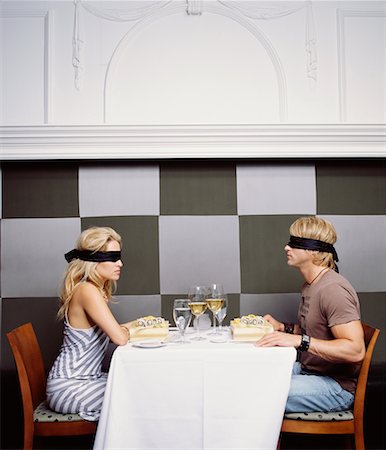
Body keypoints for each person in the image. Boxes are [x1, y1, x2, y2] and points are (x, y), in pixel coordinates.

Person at [256, 216, 365, 413]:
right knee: (249, 375)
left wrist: (300, 341)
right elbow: (318, 332)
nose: (286, 248)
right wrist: (284, 328)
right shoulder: (312, 284)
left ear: (313, 250)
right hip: (311, 371)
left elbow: (355, 350)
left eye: (294, 243)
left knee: (256, 391)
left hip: (335, 386)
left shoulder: (333, 289)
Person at [46, 226, 132, 421]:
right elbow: (119, 337)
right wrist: (128, 329)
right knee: (137, 392)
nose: (120, 263)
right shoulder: (87, 291)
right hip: (69, 388)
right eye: (112, 257)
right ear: (94, 260)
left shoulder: (92, 290)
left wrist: (141, 324)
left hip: (87, 380)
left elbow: (114, 332)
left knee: (136, 383)